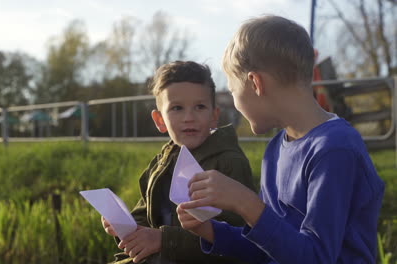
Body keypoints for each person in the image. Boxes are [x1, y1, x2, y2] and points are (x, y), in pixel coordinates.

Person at [176, 15, 385, 264]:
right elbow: (270, 243)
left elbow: (315, 257)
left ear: (255, 83)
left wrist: (245, 202)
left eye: (232, 90)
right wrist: (210, 231)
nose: (234, 101)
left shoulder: (335, 150)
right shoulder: (276, 148)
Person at [102, 60, 255, 264]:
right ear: (159, 121)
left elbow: (240, 240)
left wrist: (165, 240)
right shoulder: (161, 162)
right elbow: (144, 214)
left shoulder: (228, 163)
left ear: (214, 116)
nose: (189, 117)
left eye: (200, 107)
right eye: (177, 108)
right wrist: (125, 228)